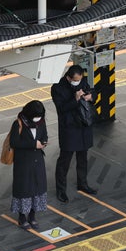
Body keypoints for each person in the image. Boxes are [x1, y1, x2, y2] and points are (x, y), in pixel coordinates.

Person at [51, 65, 97, 203]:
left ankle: (82, 184)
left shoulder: (82, 81)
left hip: (83, 126)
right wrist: (75, 99)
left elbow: (92, 91)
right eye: (75, 80)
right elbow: (62, 108)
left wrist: (91, 97)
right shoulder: (57, 88)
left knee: (83, 158)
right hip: (69, 128)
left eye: (80, 79)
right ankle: (61, 190)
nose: (78, 82)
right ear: (68, 77)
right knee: (64, 161)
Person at [9, 100, 49, 230]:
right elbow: (14, 142)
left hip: (37, 161)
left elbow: (44, 135)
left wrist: (43, 142)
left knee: (37, 188)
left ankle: (32, 216)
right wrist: (33, 144)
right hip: (24, 163)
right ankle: (22, 217)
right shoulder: (18, 123)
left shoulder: (41, 122)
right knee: (24, 189)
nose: (38, 118)